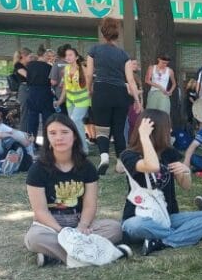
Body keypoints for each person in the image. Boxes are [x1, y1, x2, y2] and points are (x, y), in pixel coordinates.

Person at [24, 114, 130, 266]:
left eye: (64, 132)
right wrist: (62, 231)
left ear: (74, 136)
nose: (59, 137)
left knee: (115, 229)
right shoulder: (37, 169)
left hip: (79, 222)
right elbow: (40, 211)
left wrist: (82, 226)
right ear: (47, 138)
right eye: (52, 133)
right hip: (51, 226)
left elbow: (90, 205)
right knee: (33, 239)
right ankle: (103, 254)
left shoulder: (86, 167)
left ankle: (55, 257)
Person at [121, 109, 202, 255]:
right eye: (168, 127)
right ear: (156, 131)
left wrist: (185, 172)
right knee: (134, 226)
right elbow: (152, 166)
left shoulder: (168, 152)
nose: (171, 130)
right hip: (139, 218)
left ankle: (161, 241)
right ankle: (182, 235)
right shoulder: (129, 155)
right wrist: (144, 137)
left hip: (167, 217)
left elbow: (186, 186)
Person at [86, 17, 143, 175]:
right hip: (120, 93)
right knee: (119, 129)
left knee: (102, 128)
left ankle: (104, 157)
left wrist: (89, 89)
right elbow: (130, 80)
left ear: (103, 33)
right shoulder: (123, 55)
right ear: (117, 34)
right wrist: (137, 101)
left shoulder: (94, 50)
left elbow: (89, 74)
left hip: (101, 90)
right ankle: (121, 163)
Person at [54, 47, 90, 154]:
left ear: (76, 57)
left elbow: (89, 83)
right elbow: (65, 86)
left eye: (70, 55)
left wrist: (90, 94)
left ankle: (84, 149)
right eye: (66, 55)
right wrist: (60, 100)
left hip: (82, 100)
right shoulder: (66, 69)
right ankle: (77, 147)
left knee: (76, 120)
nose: (68, 57)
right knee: (72, 123)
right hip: (70, 101)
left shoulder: (82, 68)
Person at [25, 45, 55, 142]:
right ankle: (47, 142)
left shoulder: (29, 65)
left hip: (32, 92)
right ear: (44, 55)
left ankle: (31, 142)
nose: (48, 58)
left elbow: (27, 78)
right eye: (47, 55)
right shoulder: (49, 67)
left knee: (32, 118)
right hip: (45, 92)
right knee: (47, 117)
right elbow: (52, 81)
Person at [13, 47, 32, 133]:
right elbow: (27, 76)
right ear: (24, 56)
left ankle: (28, 132)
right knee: (25, 112)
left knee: (29, 112)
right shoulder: (18, 65)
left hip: (28, 89)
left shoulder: (26, 66)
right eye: (30, 57)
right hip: (24, 89)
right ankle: (23, 133)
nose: (31, 59)